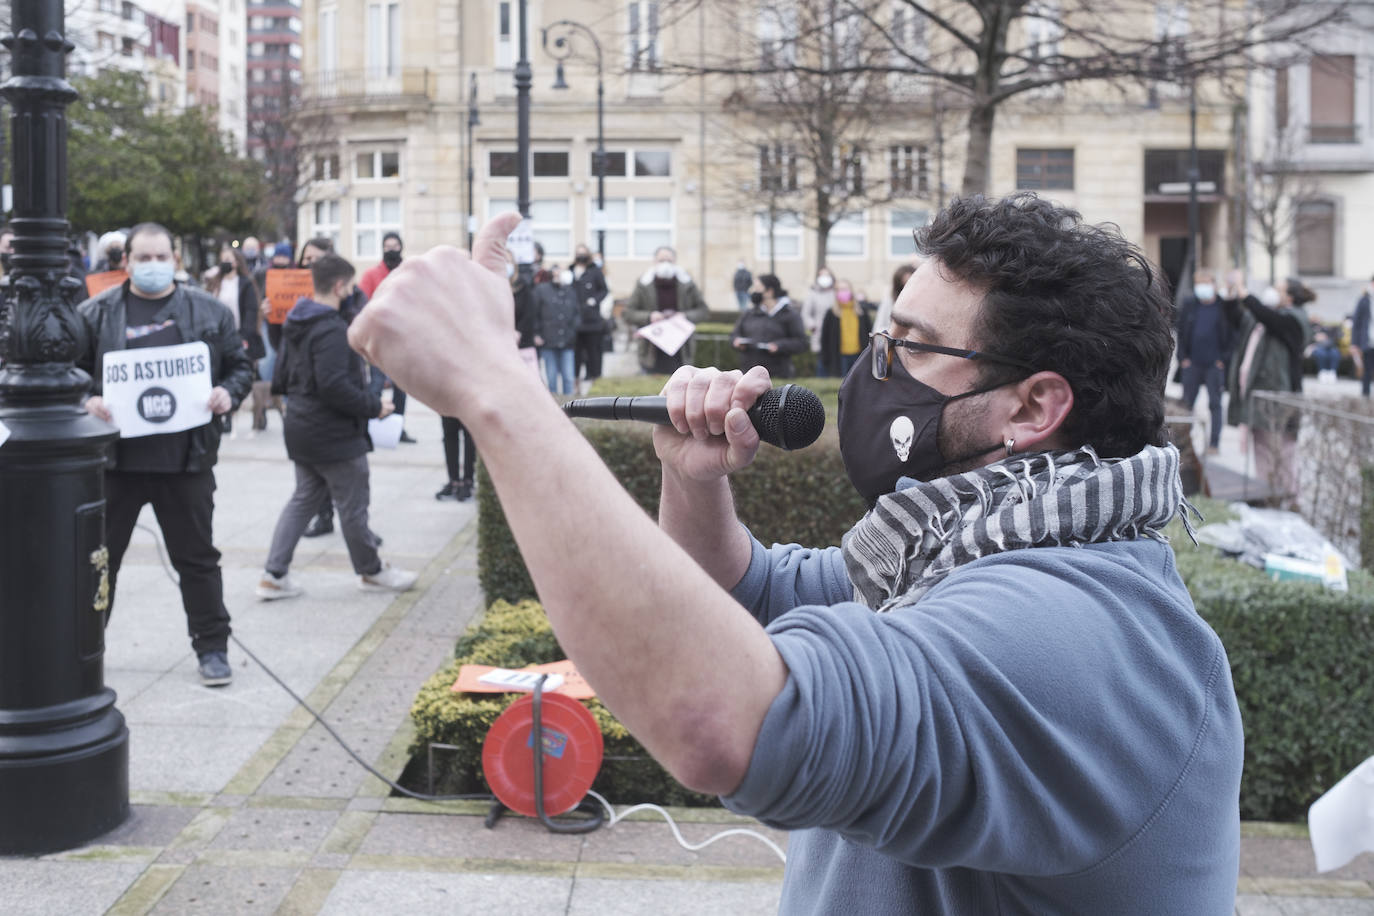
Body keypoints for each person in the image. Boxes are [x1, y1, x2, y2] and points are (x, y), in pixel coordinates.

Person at [348, 195, 1243, 915]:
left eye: (911, 347)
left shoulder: (1074, 632)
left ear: (1030, 408)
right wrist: (695, 480)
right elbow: (754, 596)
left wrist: (497, 390)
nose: (876, 368)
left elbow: (733, 721)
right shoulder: (958, 542)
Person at [76, 222, 254, 687]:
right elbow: (72, 374)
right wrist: (86, 402)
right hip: (116, 465)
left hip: (185, 462)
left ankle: (212, 648)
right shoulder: (96, 313)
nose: (153, 266)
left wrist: (226, 394)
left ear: (175, 260)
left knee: (196, 560)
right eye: (143, 258)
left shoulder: (209, 311)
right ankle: (83, 655)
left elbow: (239, 367)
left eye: (161, 258)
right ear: (126, 261)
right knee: (100, 562)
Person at [256, 254, 417, 600]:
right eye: (351, 285)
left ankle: (274, 574)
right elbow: (333, 385)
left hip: (301, 425)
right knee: (353, 506)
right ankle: (372, 571)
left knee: (303, 500)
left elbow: (282, 376)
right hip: (332, 433)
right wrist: (375, 407)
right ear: (339, 286)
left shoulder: (296, 321)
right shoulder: (330, 328)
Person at [1225, 274, 1314, 503]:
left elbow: (1270, 318)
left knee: (1284, 448)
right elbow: (1238, 319)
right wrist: (1232, 293)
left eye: (1278, 289)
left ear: (1290, 297)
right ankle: (1264, 491)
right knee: (1262, 445)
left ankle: (1289, 495)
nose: (1273, 292)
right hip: (1257, 393)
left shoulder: (1295, 320)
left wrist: (1247, 294)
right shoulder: (1263, 318)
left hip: (1282, 394)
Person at [357, 231, 415, 443]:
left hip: (403, 339)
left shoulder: (409, 273)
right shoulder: (372, 275)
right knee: (376, 384)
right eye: (387, 246)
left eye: (395, 246)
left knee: (401, 388)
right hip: (379, 339)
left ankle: (397, 428)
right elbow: (362, 303)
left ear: (401, 247)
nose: (392, 250)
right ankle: (370, 427)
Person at [623, 245, 709, 374]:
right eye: (661, 261)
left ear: (675, 262)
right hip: (651, 350)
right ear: (655, 262)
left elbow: (703, 311)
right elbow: (628, 313)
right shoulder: (643, 284)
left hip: (681, 351)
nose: (665, 264)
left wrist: (685, 316)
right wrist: (649, 316)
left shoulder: (687, 284)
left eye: (669, 261)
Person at [1175, 269, 1233, 454]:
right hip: (1192, 364)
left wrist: (1224, 359)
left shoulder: (1223, 306)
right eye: (1199, 283)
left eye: (1206, 283)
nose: (1202, 287)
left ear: (1214, 284)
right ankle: (1184, 444)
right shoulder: (1190, 304)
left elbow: (1232, 335)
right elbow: (1181, 331)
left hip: (1214, 365)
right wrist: (1183, 358)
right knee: (1186, 405)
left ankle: (1214, 444)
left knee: (1215, 404)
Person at [730, 273, 808, 378]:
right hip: (748, 374)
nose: (753, 292)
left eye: (757, 288)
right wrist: (737, 342)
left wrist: (780, 346)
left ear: (770, 291)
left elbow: (801, 342)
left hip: (778, 374)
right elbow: (734, 334)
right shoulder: (749, 313)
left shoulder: (790, 314)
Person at [533, 266, 580, 395]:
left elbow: (577, 314)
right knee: (551, 377)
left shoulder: (570, 291)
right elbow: (535, 314)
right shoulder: (541, 291)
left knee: (568, 377)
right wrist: (537, 333)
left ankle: (570, 407)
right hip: (548, 340)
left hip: (567, 340)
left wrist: (572, 331)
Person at [571, 243, 610, 395]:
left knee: (594, 354)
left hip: (592, 321)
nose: (581, 255)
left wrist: (594, 300)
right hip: (575, 322)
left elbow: (604, 290)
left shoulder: (595, 271)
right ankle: (575, 385)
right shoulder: (571, 271)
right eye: (578, 252)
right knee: (576, 355)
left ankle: (596, 384)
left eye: (583, 252)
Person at [820, 278, 873, 379]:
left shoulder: (861, 311)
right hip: (840, 357)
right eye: (839, 290)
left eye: (844, 289)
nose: (842, 292)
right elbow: (825, 338)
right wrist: (825, 358)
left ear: (851, 291)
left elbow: (869, 333)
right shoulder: (831, 313)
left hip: (859, 355)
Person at [800, 266, 837, 375]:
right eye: (822, 275)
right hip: (819, 331)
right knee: (822, 359)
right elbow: (805, 313)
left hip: (835, 332)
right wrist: (812, 325)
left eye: (827, 275)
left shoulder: (836, 292)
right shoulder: (813, 294)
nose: (825, 278)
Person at [875, 263, 916, 333]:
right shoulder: (888, 302)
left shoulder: (921, 303)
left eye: (910, 285)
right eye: (903, 286)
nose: (907, 289)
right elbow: (878, 328)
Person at [1354, 276, 1372, 398]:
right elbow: (1357, 322)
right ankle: (1365, 396)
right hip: (1368, 342)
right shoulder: (1365, 300)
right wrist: (1354, 343)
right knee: (1367, 371)